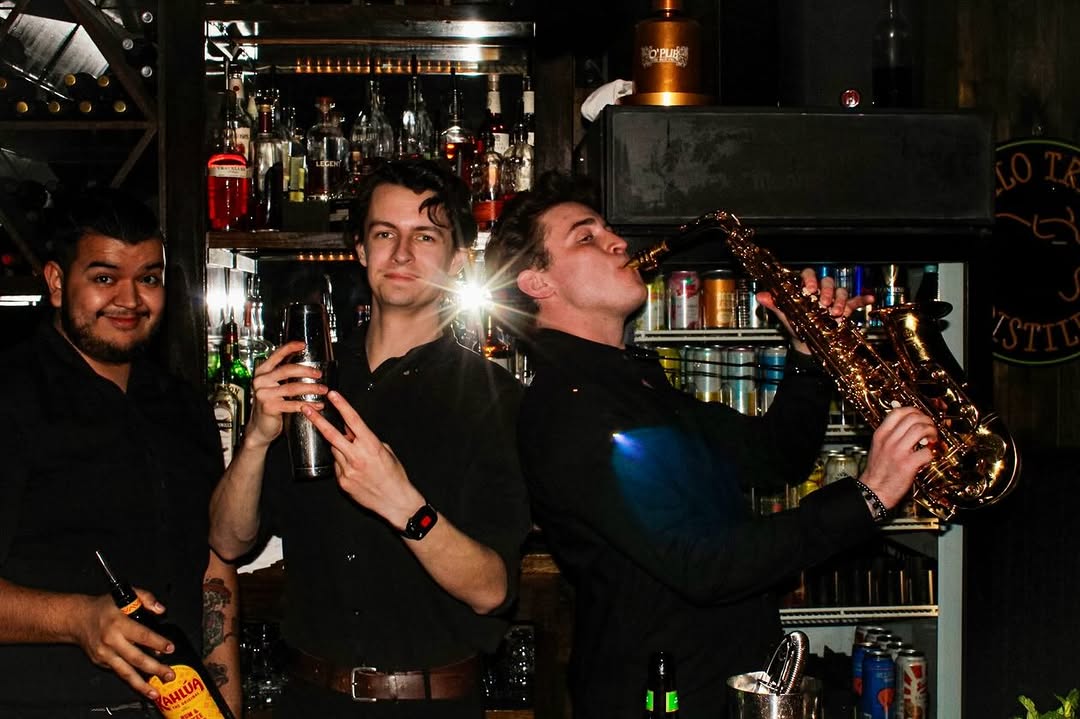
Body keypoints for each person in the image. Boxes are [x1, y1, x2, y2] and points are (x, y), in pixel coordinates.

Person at [483, 172, 939, 719]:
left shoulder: (633, 383)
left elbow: (774, 458)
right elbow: (704, 566)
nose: (618, 242)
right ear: (537, 283)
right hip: (665, 697)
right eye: (586, 237)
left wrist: (808, 358)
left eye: (608, 230)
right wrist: (868, 494)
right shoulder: (574, 408)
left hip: (716, 683)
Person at [209, 159, 532, 718]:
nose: (402, 254)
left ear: (457, 262)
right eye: (385, 234)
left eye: (424, 237)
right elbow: (230, 541)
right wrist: (258, 439)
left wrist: (403, 504)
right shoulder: (311, 379)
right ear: (360, 250)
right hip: (310, 700)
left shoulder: (495, 399)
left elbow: (492, 589)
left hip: (434, 704)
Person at [0, 188, 241, 718]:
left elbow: (212, 573)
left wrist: (225, 702)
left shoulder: (182, 406)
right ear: (58, 283)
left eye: (148, 279)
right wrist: (76, 619)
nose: (130, 300)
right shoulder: (13, 396)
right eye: (105, 278)